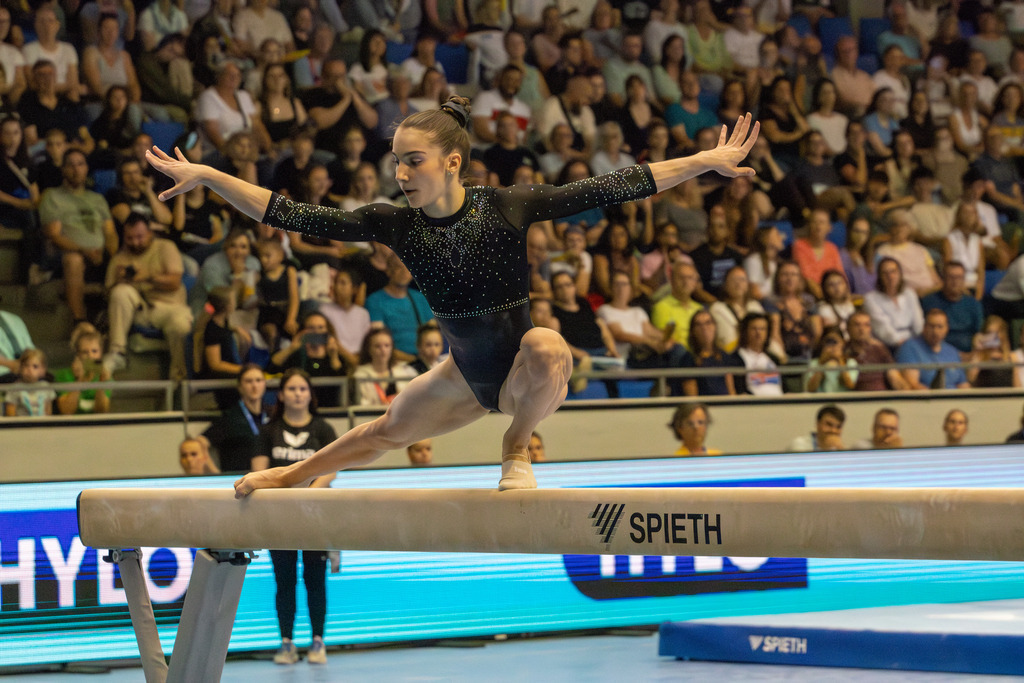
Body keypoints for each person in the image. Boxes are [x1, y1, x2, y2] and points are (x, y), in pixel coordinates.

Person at [147, 96, 759, 493]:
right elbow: (289, 214)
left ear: (453, 163)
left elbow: (614, 186)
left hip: (525, 375)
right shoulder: (396, 224)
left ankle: (516, 446)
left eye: (413, 161)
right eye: (397, 162)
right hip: (463, 375)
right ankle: (293, 476)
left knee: (547, 344)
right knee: (382, 432)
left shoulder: (507, 206)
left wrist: (705, 160)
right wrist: (208, 175)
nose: (400, 174)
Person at [252, 368, 337, 666]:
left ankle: (318, 641)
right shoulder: (268, 432)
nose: (298, 394)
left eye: (302, 389)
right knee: (284, 580)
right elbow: (259, 472)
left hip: (314, 515)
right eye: (291, 389)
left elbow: (332, 470)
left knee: (316, 579)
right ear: (281, 395)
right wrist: (286, 495)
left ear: (310, 395)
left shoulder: (323, 429)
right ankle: (286, 642)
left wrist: (309, 493)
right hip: (280, 517)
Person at [102, 214, 193, 379]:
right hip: (140, 311)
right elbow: (109, 296)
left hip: (170, 308)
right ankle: (117, 352)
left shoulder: (165, 247)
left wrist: (147, 277)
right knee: (120, 291)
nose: (135, 242)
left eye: (139, 237)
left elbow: (175, 282)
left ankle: (179, 378)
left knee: (180, 326)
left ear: (150, 233)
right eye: (130, 238)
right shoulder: (119, 258)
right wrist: (119, 281)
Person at [38, 149, 118, 323]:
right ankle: (78, 321)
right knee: (73, 259)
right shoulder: (52, 196)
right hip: (65, 256)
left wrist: (112, 255)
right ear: (63, 169)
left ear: (86, 168)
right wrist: (84, 250)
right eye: (71, 165)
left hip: (99, 255)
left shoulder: (97, 199)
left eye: (80, 164)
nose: (76, 169)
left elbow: (110, 233)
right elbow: (54, 235)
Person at [198, 364, 270, 473]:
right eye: (249, 381)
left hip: (267, 480)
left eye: (258, 380)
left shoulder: (272, 414)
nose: (254, 386)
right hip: (238, 479)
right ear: (240, 387)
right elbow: (200, 443)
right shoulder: (230, 417)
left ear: (264, 384)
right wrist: (216, 474)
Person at [365, 254, 434, 361]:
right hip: (393, 361)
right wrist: (413, 360)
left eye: (407, 267)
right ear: (388, 271)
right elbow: (378, 341)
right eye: (398, 267)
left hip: (427, 358)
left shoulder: (421, 298)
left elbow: (433, 333)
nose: (404, 271)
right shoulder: (375, 301)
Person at [895, 309, 970, 390]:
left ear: (947, 328)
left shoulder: (952, 351)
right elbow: (913, 385)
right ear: (924, 327)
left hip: (955, 396)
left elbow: (963, 384)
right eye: (931, 326)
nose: (935, 331)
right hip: (928, 397)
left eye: (940, 327)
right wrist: (936, 396)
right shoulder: (909, 347)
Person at [920, 261, 984, 353]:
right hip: (936, 350)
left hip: (968, 352)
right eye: (951, 277)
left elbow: (979, 333)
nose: (955, 282)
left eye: (959, 277)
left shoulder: (973, 304)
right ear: (943, 279)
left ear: (964, 280)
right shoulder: (928, 302)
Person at [863, 257, 924, 350]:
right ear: (879, 276)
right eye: (885, 273)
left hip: (914, 341)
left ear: (900, 274)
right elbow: (882, 328)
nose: (890, 277)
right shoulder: (871, 298)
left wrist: (921, 341)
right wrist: (901, 343)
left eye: (893, 271)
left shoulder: (909, 293)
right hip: (888, 345)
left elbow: (918, 323)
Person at [54, 324, 111, 415]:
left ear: (101, 353)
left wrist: (102, 383)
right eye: (85, 352)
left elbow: (102, 411)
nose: (90, 356)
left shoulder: (104, 376)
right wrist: (78, 380)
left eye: (94, 351)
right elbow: (66, 411)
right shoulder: (63, 375)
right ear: (78, 354)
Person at [846, 311, 910, 391]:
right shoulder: (842, 350)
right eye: (857, 325)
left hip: (882, 396)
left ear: (870, 329)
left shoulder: (879, 349)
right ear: (848, 328)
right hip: (855, 397)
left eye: (866, 325)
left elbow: (894, 377)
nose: (862, 329)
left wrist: (907, 393)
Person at [353, 327, 416, 406]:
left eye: (387, 345)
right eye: (377, 346)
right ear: (368, 349)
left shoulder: (404, 372)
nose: (383, 350)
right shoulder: (360, 375)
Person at [803, 326, 858, 393]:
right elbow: (810, 389)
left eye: (835, 342)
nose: (832, 346)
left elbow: (850, 385)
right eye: (828, 342)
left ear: (842, 343)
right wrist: (821, 364)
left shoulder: (850, 362)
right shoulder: (814, 363)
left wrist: (840, 361)